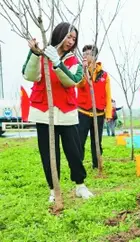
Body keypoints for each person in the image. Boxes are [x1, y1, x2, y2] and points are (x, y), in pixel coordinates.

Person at [22, 22, 93, 202]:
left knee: (74, 151)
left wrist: (57, 63)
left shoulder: (73, 61)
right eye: (68, 36)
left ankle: (80, 185)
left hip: (66, 112)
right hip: (44, 111)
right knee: (48, 153)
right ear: (59, 34)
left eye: (74, 39)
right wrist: (35, 53)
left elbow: (72, 81)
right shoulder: (41, 55)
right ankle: (54, 189)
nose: (71, 41)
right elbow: (29, 75)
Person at [77, 45, 112, 169]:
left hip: (99, 114)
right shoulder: (80, 70)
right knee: (80, 140)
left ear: (95, 56)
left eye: (88, 54)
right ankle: (78, 165)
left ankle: (97, 165)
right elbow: (79, 85)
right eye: (84, 54)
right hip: (83, 112)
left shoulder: (104, 75)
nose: (85, 56)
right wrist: (84, 70)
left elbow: (108, 95)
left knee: (96, 141)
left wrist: (108, 114)